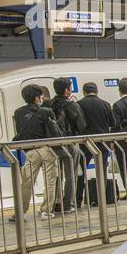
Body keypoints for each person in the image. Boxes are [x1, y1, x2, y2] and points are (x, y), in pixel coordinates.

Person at [10, 84, 61, 220]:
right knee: (50, 181)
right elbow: (54, 130)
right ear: (37, 97)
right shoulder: (46, 111)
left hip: (30, 151)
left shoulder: (18, 112)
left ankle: (20, 212)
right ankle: (46, 210)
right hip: (46, 149)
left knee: (26, 183)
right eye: (41, 96)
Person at [48, 78, 84, 213]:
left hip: (52, 145)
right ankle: (68, 204)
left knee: (55, 175)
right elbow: (81, 126)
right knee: (71, 175)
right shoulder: (73, 106)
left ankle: (55, 203)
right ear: (66, 90)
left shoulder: (48, 104)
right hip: (69, 144)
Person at [79, 82, 116, 206]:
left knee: (80, 171)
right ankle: (102, 198)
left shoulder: (79, 104)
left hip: (85, 143)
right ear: (97, 91)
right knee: (102, 170)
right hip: (102, 142)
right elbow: (113, 123)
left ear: (84, 92)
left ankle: (78, 199)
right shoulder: (106, 104)